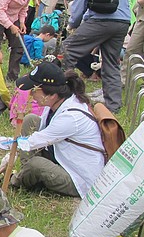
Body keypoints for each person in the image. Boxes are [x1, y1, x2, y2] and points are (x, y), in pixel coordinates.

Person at [12, 62, 105, 197]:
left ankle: (18, 180)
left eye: (34, 90)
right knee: (30, 120)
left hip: (77, 178)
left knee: (36, 164)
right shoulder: (56, 103)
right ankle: (27, 173)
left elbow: (31, 142)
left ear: (51, 95)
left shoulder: (71, 117)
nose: (31, 95)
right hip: (62, 160)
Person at [63, 0, 131, 113]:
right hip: (122, 21)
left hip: (100, 20)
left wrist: (72, 24)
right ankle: (113, 106)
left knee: (68, 48)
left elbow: (79, 3)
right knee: (111, 63)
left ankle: (66, 96)